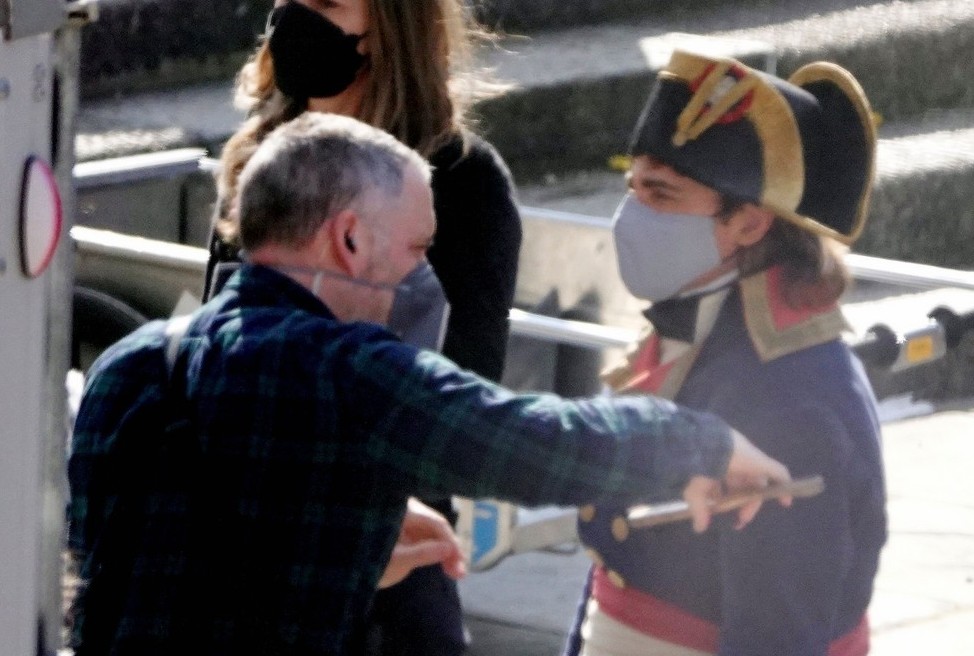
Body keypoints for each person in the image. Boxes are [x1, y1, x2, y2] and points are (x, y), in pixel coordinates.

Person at [68, 112, 792, 656]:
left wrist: (357, 547)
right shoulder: (348, 373)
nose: (421, 278)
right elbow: (534, 443)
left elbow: (169, 573)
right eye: (417, 248)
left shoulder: (125, 369)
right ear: (349, 239)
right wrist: (701, 441)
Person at [205, 4, 521, 649]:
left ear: (389, 24)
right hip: (242, 549)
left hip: (383, 565)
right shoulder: (260, 158)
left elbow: (462, 398)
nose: (295, 17)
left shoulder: (463, 182)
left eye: (326, 4)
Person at [565, 50, 888, 656]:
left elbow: (776, 636)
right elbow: (611, 572)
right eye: (632, 186)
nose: (632, 214)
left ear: (750, 223)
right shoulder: (698, 328)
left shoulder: (790, 398)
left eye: (661, 193)